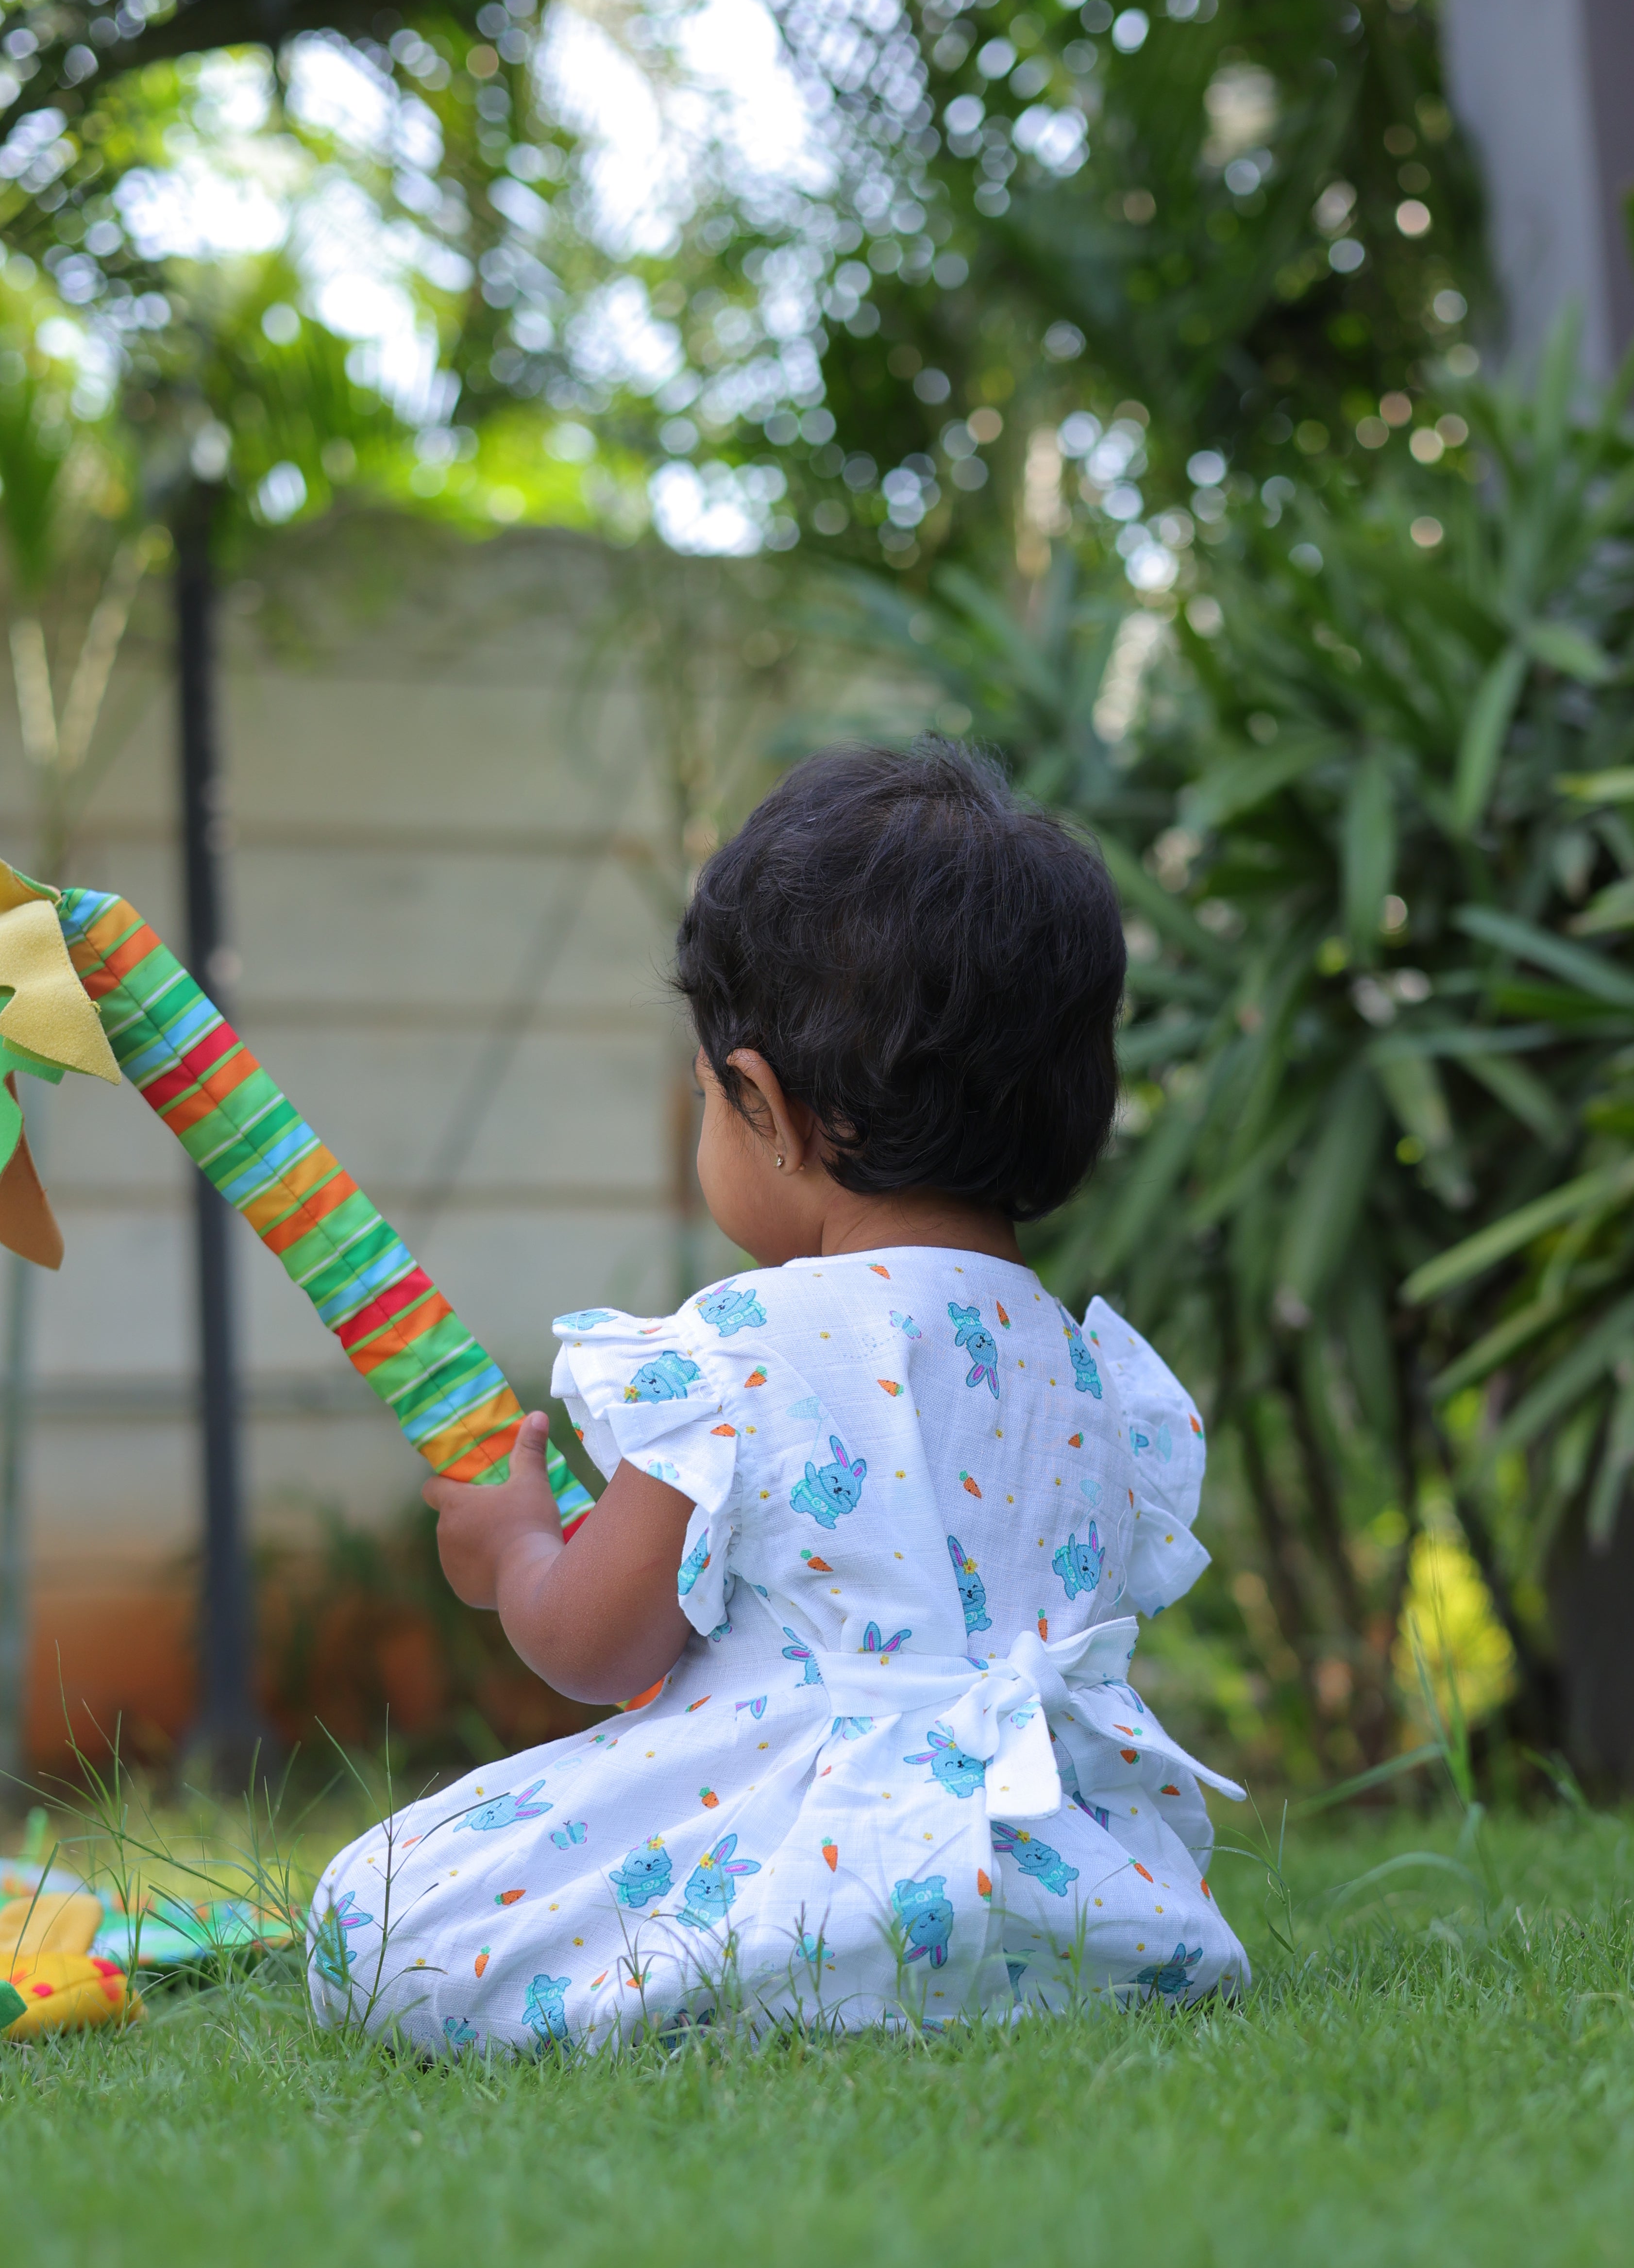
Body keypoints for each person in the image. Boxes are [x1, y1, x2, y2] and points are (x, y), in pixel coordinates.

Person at [308, 744, 1250, 2051]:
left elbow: (601, 1647)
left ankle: (801, 1970)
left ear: (762, 1102)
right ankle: (974, 1968)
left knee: (379, 1913)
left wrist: (515, 1550)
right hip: (1065, 1898)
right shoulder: (1091, 1371)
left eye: (703, 1096)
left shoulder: (744, 1344)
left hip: (812, 1865)